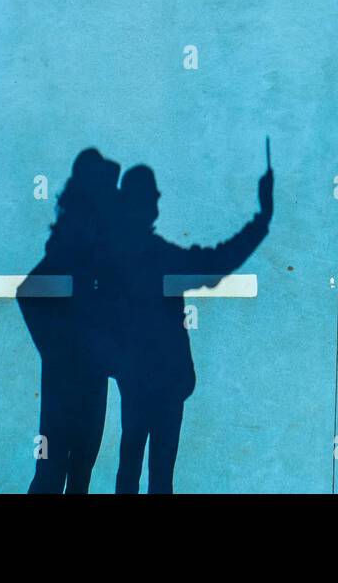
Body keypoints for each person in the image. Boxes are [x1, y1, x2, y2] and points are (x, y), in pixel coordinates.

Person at [109, 163, 273, 494]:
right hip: (168, 380)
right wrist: (262, 218)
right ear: (147, 205)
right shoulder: (160, 257)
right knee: (160, 477)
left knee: (129, 468)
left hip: (136, 379)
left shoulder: (114, 258)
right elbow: (215, 265)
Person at [18, 148, 120, 494]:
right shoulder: (70, 241)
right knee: (52, 472)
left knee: (80, 470)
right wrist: (58, 350)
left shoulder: (99, 244)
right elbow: (28, 291)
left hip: (92, 378)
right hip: (67, 381)